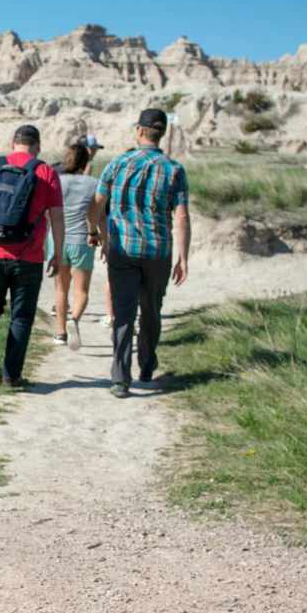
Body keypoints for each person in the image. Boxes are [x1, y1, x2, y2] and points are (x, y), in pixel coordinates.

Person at [88, 108, 191, 398]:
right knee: (151, 310)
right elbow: (181, 217)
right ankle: (146, 365)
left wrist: (94, 232)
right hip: (158, 251)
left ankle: (120, 378)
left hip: (123, 249)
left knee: (123, 312)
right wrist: (183, 257)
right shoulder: (174, 170)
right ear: (162, 133)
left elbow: (96, 203)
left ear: (139, 130)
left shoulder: (118, 163)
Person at [0, 124, 65, 387]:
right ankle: (11, 375)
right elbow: (57, 217)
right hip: (28, 258)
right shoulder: (45, 172)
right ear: (38, 146)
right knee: (22, 315)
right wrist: (57, 253)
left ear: (12, 143)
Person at [45, 135, 103, 349]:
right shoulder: (93, 183)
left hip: (57, 240)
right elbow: (98, 215)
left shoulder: (55, 181)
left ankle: (60, 333)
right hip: (82, 240)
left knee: (60, 290)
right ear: (85, 162)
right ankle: (74, 319)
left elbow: (46, 213)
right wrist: (101, 238)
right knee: (82, 291)